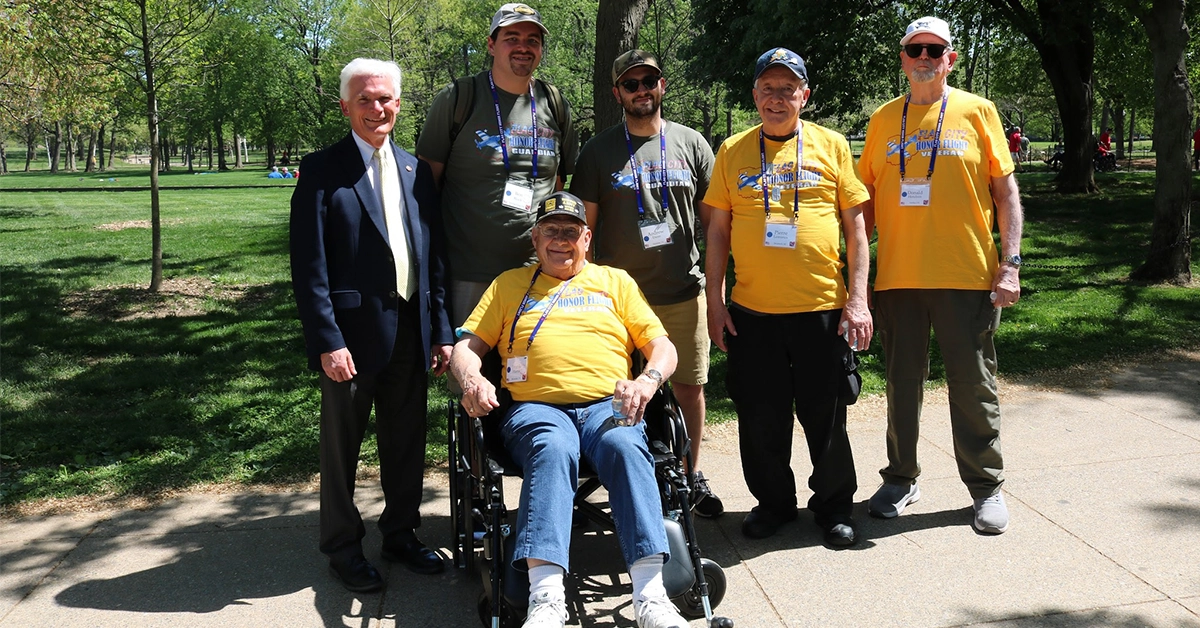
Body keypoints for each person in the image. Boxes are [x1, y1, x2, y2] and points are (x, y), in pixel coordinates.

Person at [451, 191, 690, 628]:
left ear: (587, 238)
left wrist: (647, 381)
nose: (559, 240)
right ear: (534, 238)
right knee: (553, 447)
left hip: (608, 405)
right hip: (536, 409)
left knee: (624, 444)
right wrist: (472, 377)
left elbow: (662, 347)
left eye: (570, 231)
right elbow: (467, 346)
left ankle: (651, 597)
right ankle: (545, 599)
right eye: (549, 231)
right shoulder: (508, 284)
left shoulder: (614, 281)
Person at [290, 58, 454, 592]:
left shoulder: (415, 171)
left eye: (385, 99)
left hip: (411, 332)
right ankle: (341, 548)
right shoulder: (321, 170)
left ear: (399, 105)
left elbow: (433, 259)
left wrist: (442, 332)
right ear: (345, 106)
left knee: (405, 440)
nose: (376, 108)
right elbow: (309, 267)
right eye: (364, 99)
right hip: (350, 339)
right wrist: (326, 339)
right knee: (342, 449)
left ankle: (401, 535)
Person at [858, 16, 1023, 535]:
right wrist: (859, 281)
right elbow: (863, 206)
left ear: (950, 57)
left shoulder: (978, 111)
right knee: (901, 386)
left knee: (973, 386)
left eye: (935, 48)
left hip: (967, 275)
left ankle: (985, 487)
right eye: (914, 49)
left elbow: (1006, 194)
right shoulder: (883, 119)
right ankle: (901, 479)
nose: (924, 57)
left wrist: (1010, 264)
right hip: (898, 279)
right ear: (903, 59)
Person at [702, 48, 872, 548]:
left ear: (805, 95)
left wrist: (857, 300)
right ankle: (773, 504)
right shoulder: (732, 150)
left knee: (827, 415)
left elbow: (857, 230)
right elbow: (717, 231)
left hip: (821, 309)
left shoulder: (833, 145)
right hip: (752, 314)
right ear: (755, 95)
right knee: (760, 416)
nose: (777, 98)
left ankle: (834, 506)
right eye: (768, 89)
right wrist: (716, 300)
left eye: (787, 88)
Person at [569, 49, 723, 518]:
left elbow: (716, 225)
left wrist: (717, 294)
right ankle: (626, 476)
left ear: (662, 86)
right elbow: (583, 236)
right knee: (621, 391)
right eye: (631, 83)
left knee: (688, 389)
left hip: (681, 292)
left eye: (649, 81)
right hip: (618, 302)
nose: (641, 90)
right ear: (617, 92)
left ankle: (689, 473)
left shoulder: (692, 143)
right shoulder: (598, 152)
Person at [417, 2, 580, 334]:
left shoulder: (554, 102)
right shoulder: (459, 98)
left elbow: (559, 183)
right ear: (491, 44)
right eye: (512, 37)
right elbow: (425, 183)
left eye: (533, 40)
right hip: (469, 273)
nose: (523, 47)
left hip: (539, 270)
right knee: (471, 374)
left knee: (531, 372)